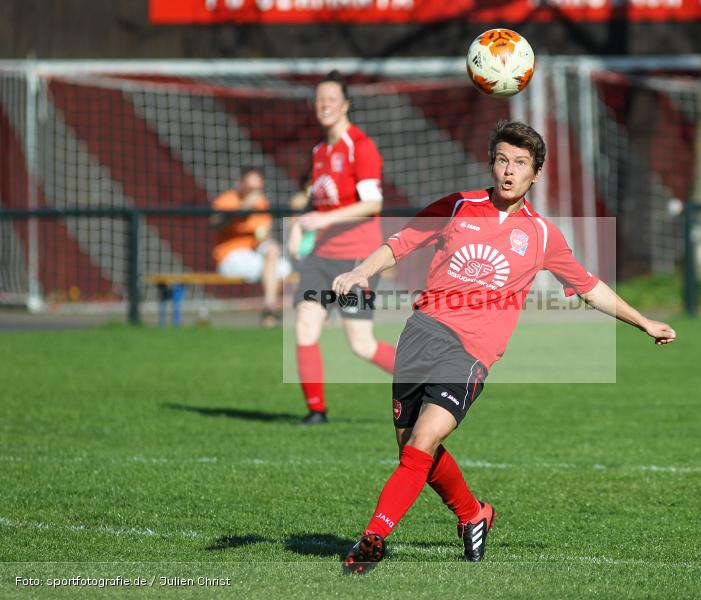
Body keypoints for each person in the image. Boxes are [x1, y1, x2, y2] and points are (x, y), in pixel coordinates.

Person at [333, 120, 677, 575]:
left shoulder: (541, 235)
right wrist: (361, 270)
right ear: (491, 164)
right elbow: (400, 243)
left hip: (473, 350)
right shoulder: (457, 206)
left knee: (425, 438)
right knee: (412, 449)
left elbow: (589, 286)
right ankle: (474, 514)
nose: (508, 171)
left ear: (536, 173)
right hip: (422, 333)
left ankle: (374, 537)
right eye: (501, 160)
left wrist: (643, 322)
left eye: (519, 163)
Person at [287, 70, 396, 425]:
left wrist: (322, 221)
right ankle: (316, 411)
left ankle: (425, 376)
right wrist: (299, 226)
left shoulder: (360, 146)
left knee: (361, 345)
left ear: (346, 104)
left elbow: (372, 204)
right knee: (305, 326)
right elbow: (317, 206)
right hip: (321, 259)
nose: (324, 105)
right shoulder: (320, 150)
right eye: (319, 99)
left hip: (356, 261)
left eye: (331, 98)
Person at [211, 166, 291, 327]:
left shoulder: (262, 203)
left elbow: (264, 235)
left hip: (255, 256)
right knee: (274, 268)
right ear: (240, 184)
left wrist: (268, 243)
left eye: (258, 188)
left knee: (284, 265)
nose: (254, 192)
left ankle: (272, 311)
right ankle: (270, 312)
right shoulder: (228, 199)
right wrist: (244, 207)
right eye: (250, 187)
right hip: (230, 258)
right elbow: (215, 223)